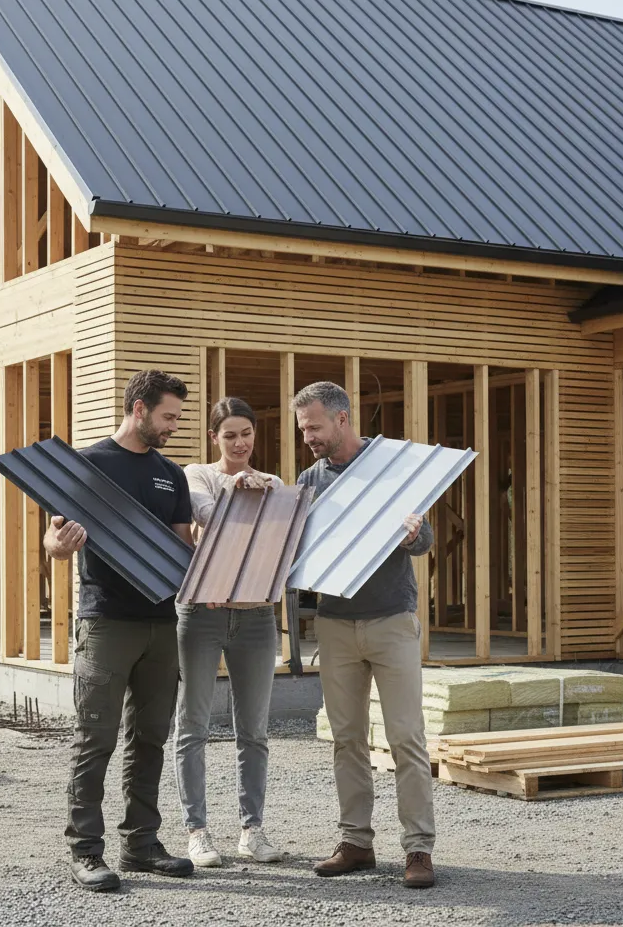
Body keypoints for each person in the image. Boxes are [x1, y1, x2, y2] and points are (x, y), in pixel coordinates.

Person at [44, 369, 195, 893]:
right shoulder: (86, 465)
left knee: (150, 736)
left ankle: (141, 842)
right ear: (138, 409)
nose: (173, 426)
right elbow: (55, 535)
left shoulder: (170, 475)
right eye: (168, 416)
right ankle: (86, 851)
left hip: (161, 622)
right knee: (96, 738)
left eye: (176, 417)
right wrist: (58, 548)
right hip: (106, 620)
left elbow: (181, 551)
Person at [292, 381, 437, 889]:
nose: (307, 436)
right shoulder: (309, 479)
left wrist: (416, 532)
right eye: (302, 428)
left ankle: (418, 849)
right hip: (334, 625)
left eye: (314, 426)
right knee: (346, 739)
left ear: (342, 418)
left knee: (406, 738)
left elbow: (426, 541)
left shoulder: (390, 468)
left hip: (392, 621)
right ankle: (356, 842)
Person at [176, 397, 284, 869]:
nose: (239, 443)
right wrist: (237, 490)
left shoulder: (274, 483)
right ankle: (197, 832)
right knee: (193, 726)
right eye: (229, 435)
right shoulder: (197, 475)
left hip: (257, 617)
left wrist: (266, 494)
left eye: (246, 433)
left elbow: (285, 537)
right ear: (213, 438)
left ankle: (252, 830)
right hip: (202, 613)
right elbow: (202, 514)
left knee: (254, 731)